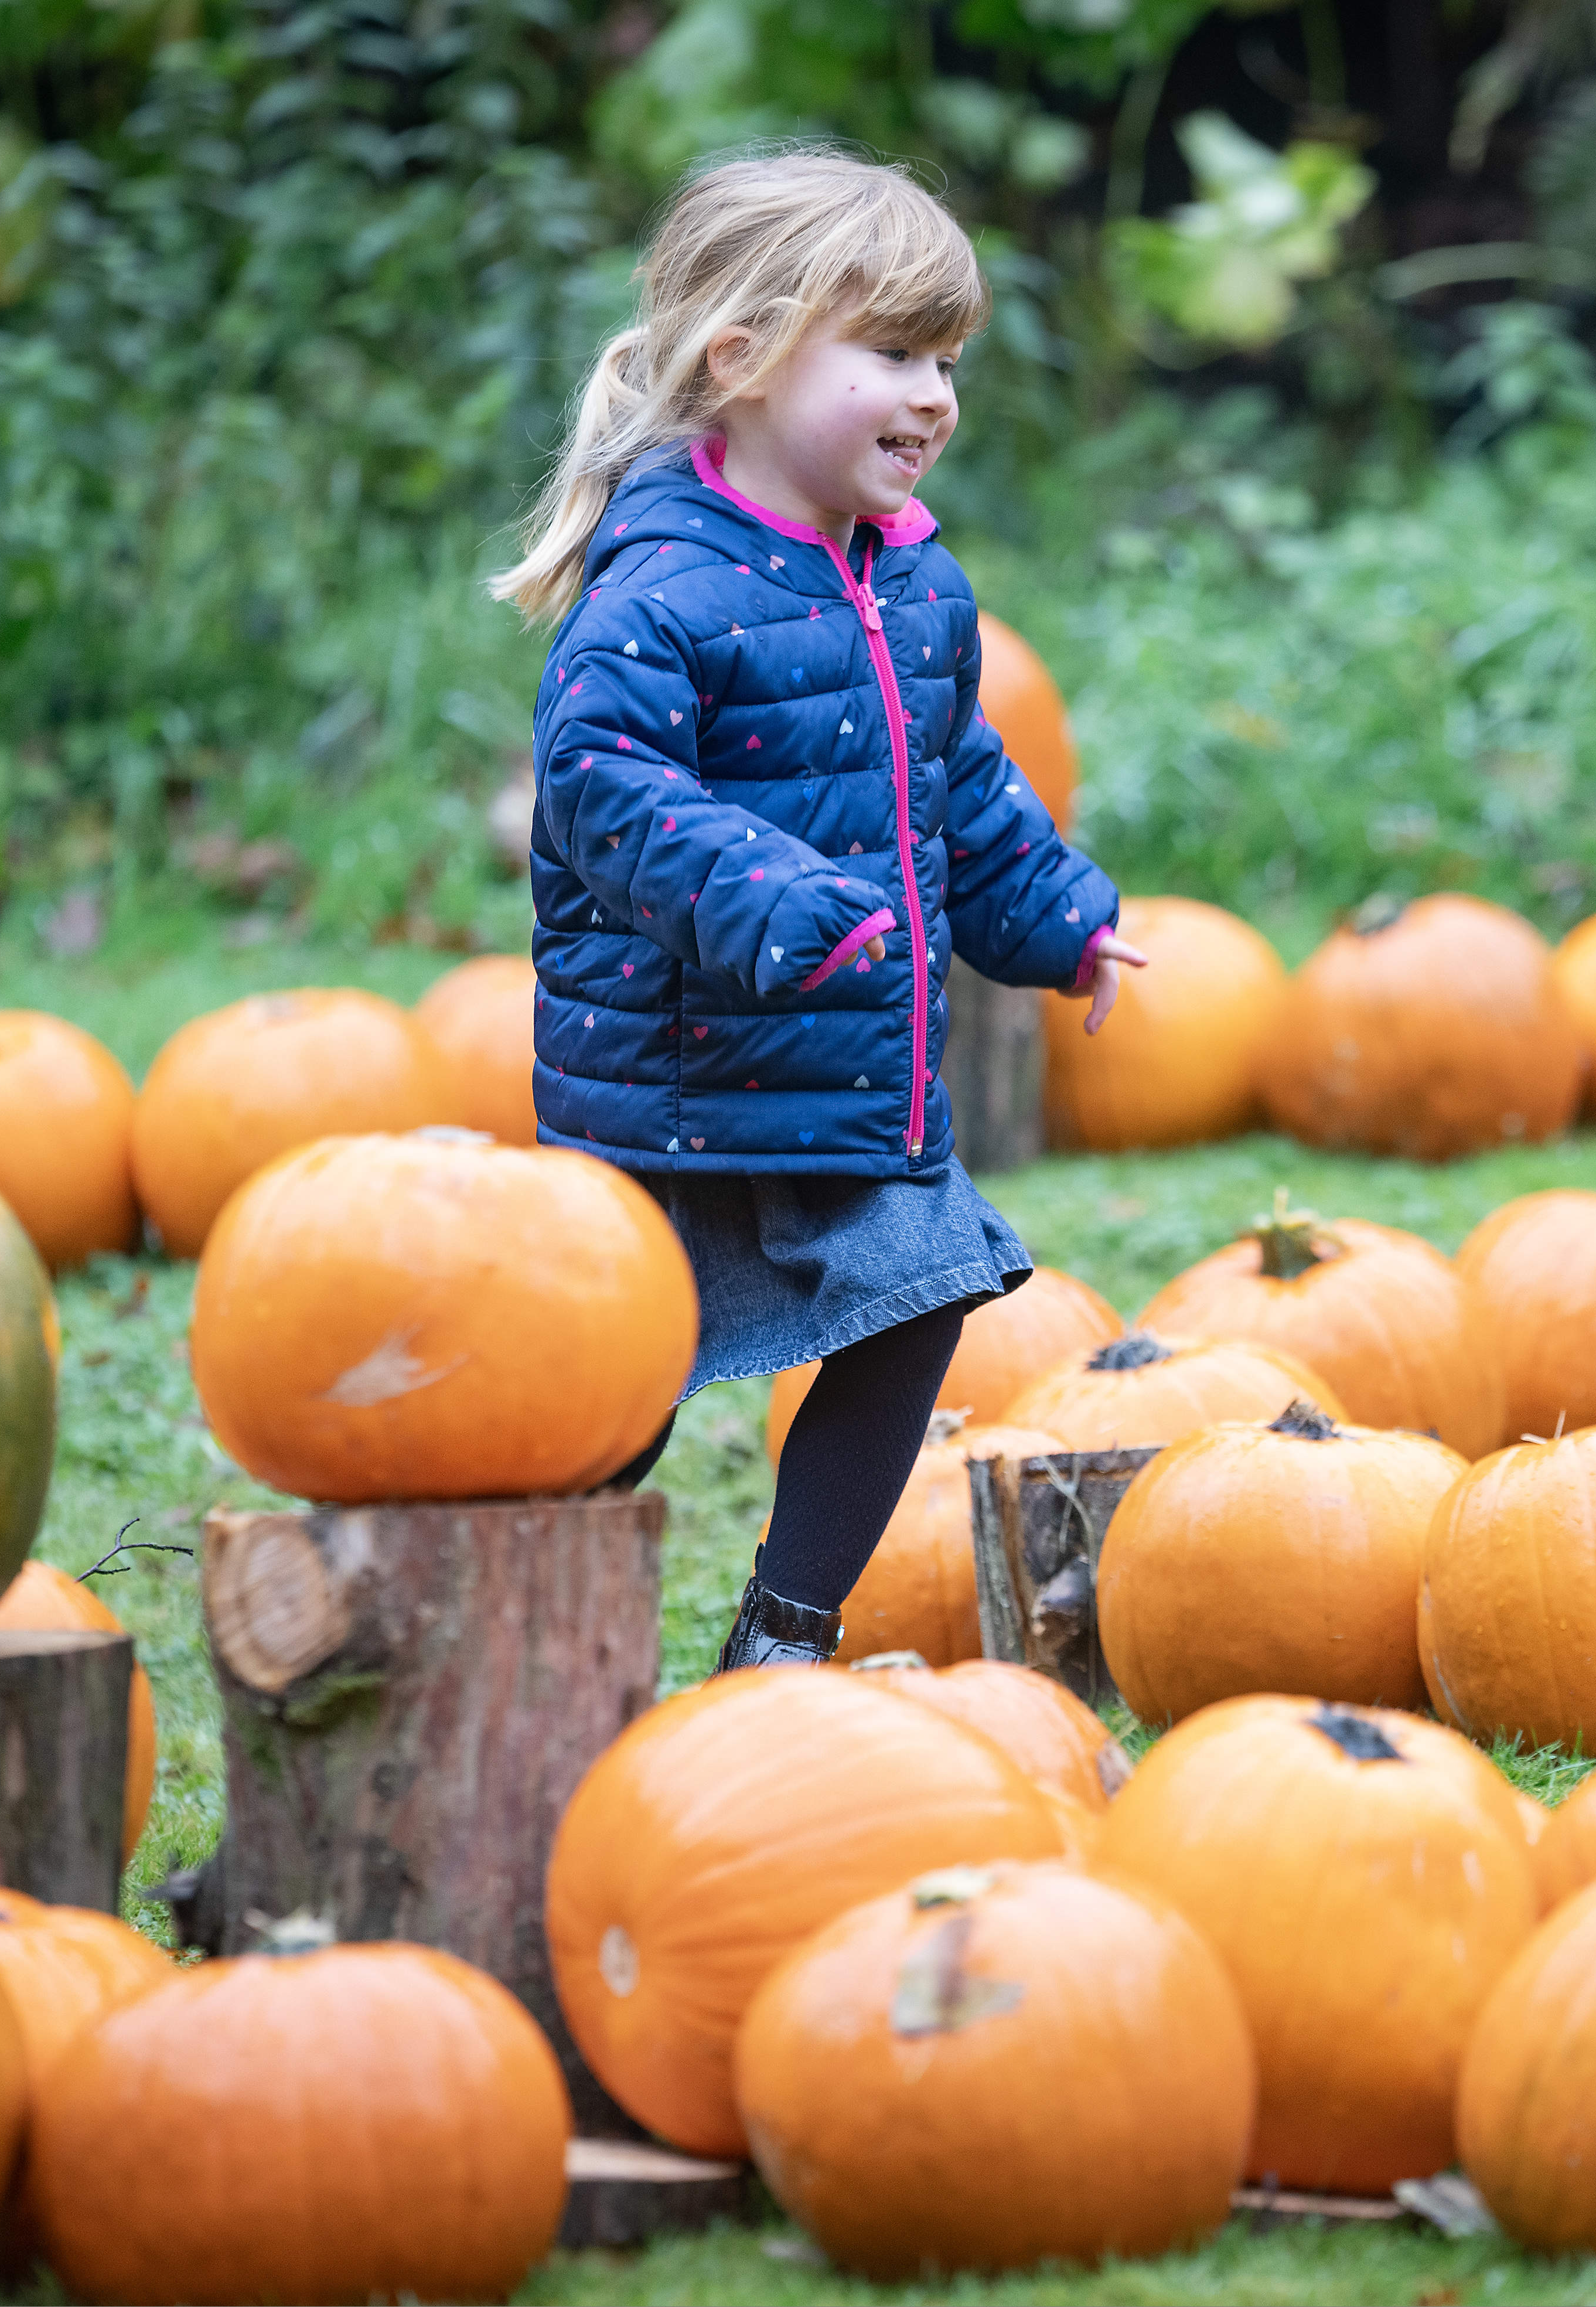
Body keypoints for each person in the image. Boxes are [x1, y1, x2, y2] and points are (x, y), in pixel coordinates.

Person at [492, 148, 1144, 1672]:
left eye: (946, 360)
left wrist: (1058, 913)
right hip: (671, 1087)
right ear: (742, 361)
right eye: (895, 354)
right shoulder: (659, 587)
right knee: (607, 1394)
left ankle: (784, 1631)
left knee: (918, 1300)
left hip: (847, 1081)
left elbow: (960, 784)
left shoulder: (915, 585)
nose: (933, 396)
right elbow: (597, 785)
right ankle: (517, 1635)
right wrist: (769, 897)